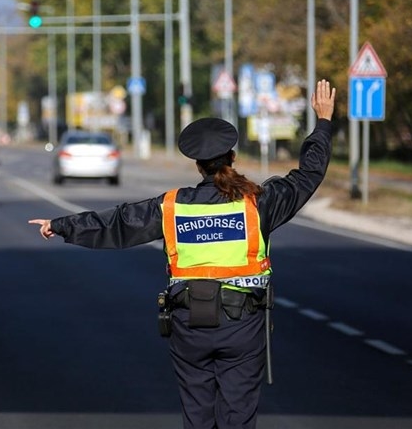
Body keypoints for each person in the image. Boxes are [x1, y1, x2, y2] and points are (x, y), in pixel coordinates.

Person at [29, 79, 336, 429]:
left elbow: (118, 223)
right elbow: (307, 175)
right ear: (232, 158)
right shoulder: (258, 203)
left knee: (197, 414)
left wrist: (62, 225)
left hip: (189, 324)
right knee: (238, 414)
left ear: (197, 165)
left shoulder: (172, 207)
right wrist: (322, 123)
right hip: (243, 326)